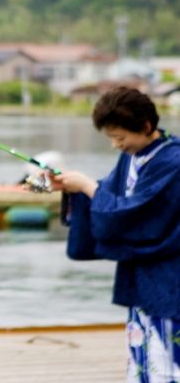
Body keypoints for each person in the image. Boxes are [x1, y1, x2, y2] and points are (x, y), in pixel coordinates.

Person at [53, 86, 179, 383]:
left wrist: (86, 186)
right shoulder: (133, 156)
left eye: (120, 137)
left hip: (170, 273)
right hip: (142, 273)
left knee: (169, 356)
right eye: (111, 138)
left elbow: (137, 211)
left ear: (147, 127)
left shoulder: (173, 161)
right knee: (143, 352)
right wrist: (73, 188)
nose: (115, 145)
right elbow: (109, 194)